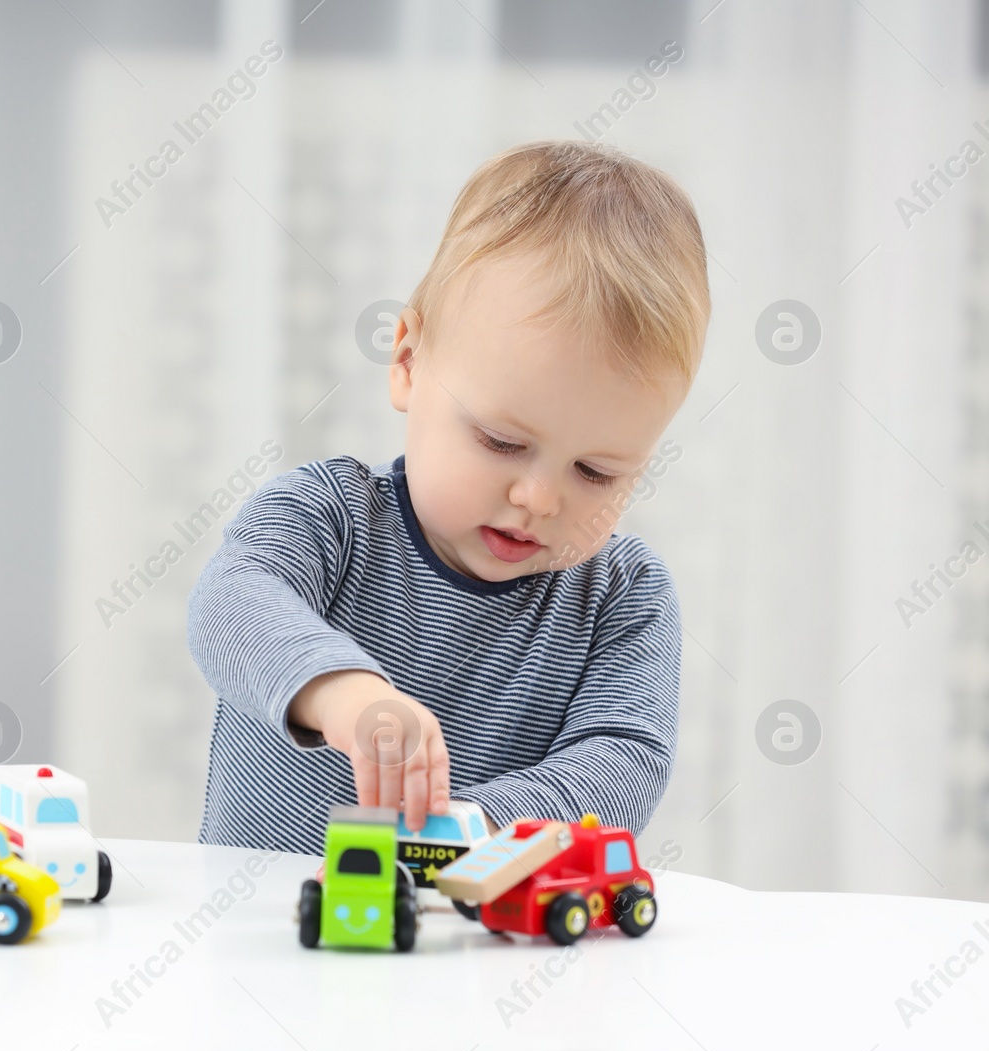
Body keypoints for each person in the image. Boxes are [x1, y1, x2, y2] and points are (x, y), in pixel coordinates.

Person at [188, 140, 708, 855]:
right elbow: (228, 604)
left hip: (473, 948)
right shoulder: (330, 516)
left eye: (597, 471)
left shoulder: (624, 597)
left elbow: (623, 762)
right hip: (261, 930)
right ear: (407, 361)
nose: (537, 496)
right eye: (500, 441)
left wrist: (471, 825)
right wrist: (346, 694)